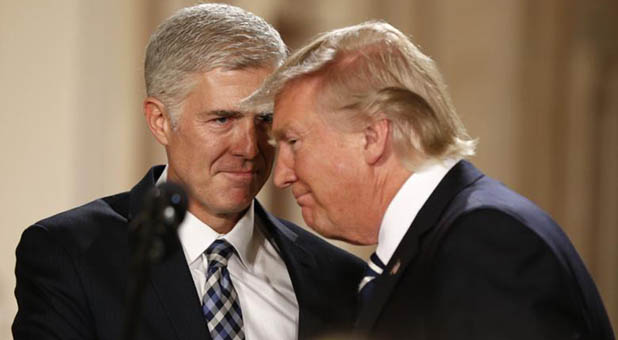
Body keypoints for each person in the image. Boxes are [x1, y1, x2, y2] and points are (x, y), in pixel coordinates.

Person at [12, 4, 365, 340]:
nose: (249, 148)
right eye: (222, 119)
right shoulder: (71, 254)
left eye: (266, 119)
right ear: (160, 120)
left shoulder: (339, 278)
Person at [247, 21, 615, 339]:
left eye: (293, 142)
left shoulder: (484, 243)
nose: (281, 175)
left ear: (373, 137)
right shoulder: (440, 241)